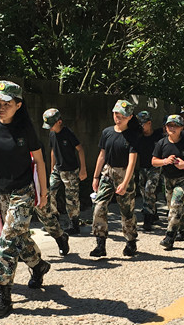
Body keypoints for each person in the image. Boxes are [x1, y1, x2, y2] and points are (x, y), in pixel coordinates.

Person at [0, 80, 54, 318]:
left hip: (23, 192)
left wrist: (43, 193)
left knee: (7, 239)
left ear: (18, 105)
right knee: (19, 236)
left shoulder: (26, 129)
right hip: (3, 191)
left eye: (6, 103)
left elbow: (40, 161)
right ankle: (38, 265)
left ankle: (4, 294)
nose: (0, 107)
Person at [90, 99, 140, 257]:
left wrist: (125, 183)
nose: (118, 118)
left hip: (124, 174)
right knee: (99, 207)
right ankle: (100, 243)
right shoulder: (107, 132)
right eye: (116, 115)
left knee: (127, 211)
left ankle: (131, 241)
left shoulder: (132, 136)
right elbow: (102, 155)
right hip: (107, 172)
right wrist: (95, 177)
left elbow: (132, 162)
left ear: (130, 117)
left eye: (123, 116)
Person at [152, 115, 184, 250]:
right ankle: (183, 230)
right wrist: (165, 161)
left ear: (181, 128)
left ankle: (169, 236)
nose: (172, 128)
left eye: (176, 126)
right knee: (173, 208)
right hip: (168, 180)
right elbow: (154, 161)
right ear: (166, 127)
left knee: (175, 205)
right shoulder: (162, 143)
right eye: (170, 125)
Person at [43, 108, 87, 235]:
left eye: (52, 125)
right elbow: (53, 151)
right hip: (57, 169)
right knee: (50, 192)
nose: (50, 128)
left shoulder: (68, 133)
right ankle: (54, 220)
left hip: (70, 170)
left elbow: (80, 149)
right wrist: (52, 168)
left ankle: (74, 223)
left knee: (71, 197)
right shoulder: (52, 134)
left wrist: (83, 169)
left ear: (59, 122)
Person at [134, 110, 163, 232]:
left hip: (155, 167)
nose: (140, 126)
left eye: (142, 123)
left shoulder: (158, 136)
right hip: (143, 168)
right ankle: (153, 212)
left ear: (149, 123)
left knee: (149, 189)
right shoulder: (138, 138)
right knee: (143, 190)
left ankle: (147, 218)